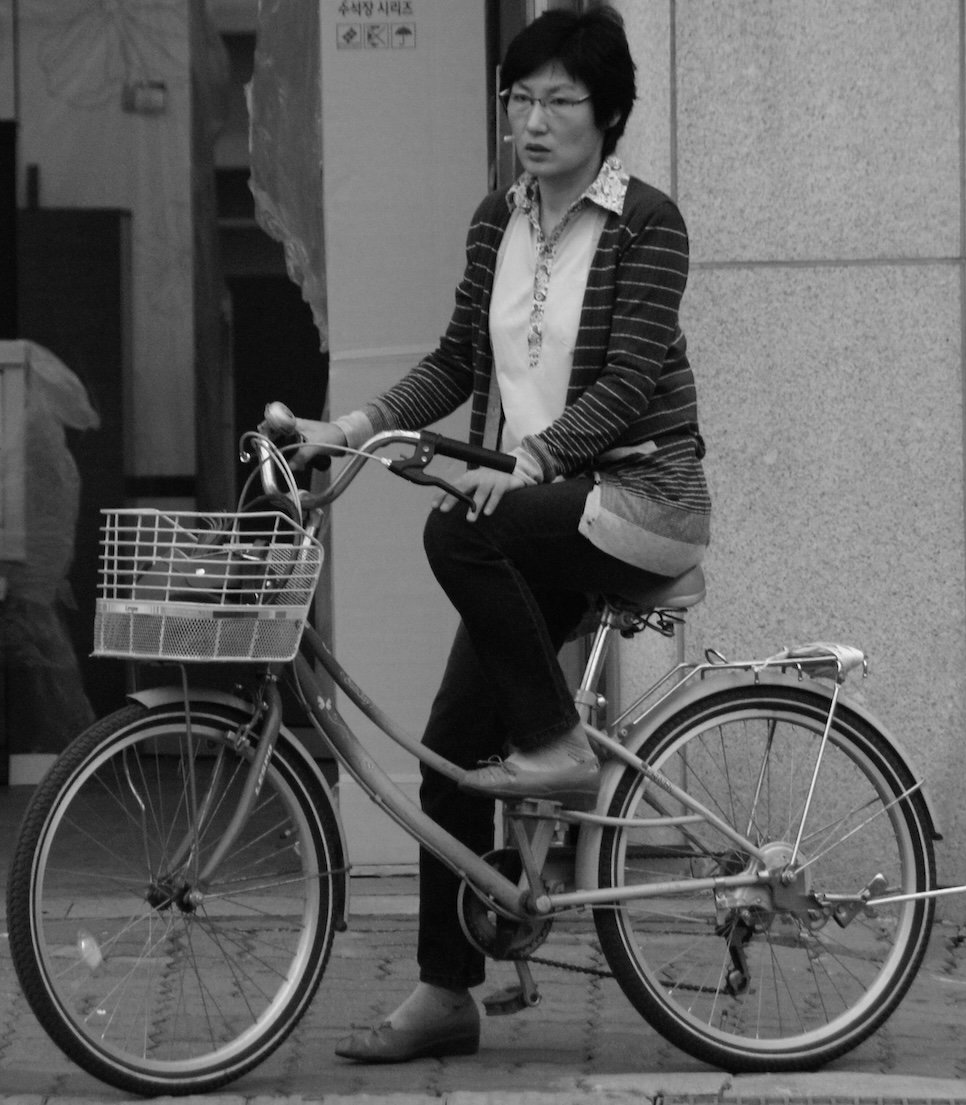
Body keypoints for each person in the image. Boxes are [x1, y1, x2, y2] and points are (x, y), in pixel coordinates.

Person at [288, 5, 711, 1063]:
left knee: (455, 528)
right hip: (542, 515)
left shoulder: (647, 224)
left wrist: (525, 461)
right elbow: (453, 365)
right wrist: (347, 428)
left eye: (560, 101)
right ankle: (445, 992)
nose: (533, 120)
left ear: (608, 115)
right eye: (518, 98)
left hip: (639, 501)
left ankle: (559, 747)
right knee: (451, 761)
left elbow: (623, 382)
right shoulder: (498, 218)